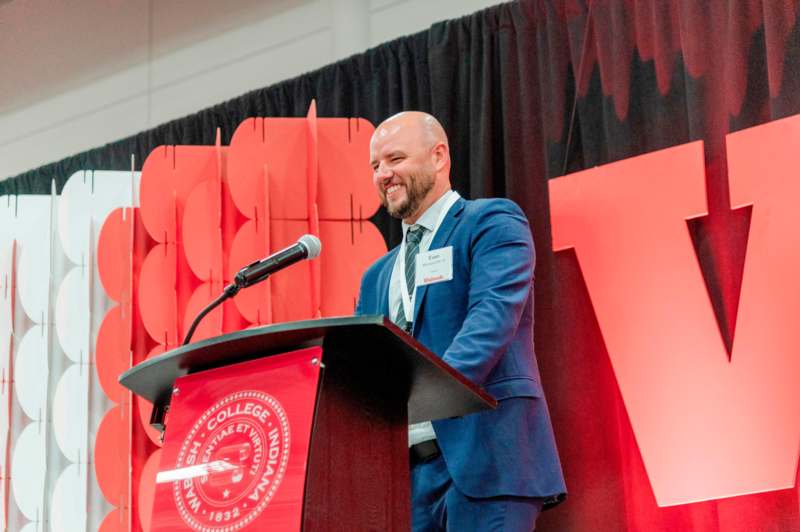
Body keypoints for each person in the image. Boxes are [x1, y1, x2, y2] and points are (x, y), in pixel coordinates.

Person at [355, 111, 566, 531]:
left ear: (438, 157)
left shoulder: (489, 222)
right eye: (376, 166)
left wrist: (426, 397)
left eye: (395, 159)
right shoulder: (376, 275)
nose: (384, 174)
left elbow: (492, 318)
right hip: (404, 480)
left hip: (487, 458)